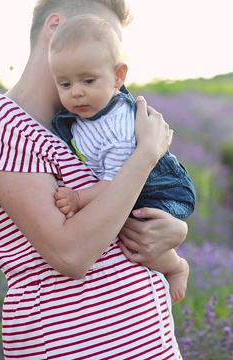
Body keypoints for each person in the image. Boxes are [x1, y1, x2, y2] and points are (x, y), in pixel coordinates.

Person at [0, 0, 186, 358]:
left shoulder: (78, 131)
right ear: (55, 28)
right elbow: (71, 253)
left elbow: (113, 212)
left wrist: (172, 235)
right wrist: (145, 155)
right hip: (71, 345)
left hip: (144, 343)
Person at [48, 14, 195, 305]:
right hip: (130, 181)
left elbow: (116, 184)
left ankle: (176, 266)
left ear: (118, 76)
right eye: (64, 84)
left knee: (136, 233)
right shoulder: (84, 115)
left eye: (88, 80)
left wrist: (78, 199)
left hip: (160, 187)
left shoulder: (117, 126)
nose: (76, 92)